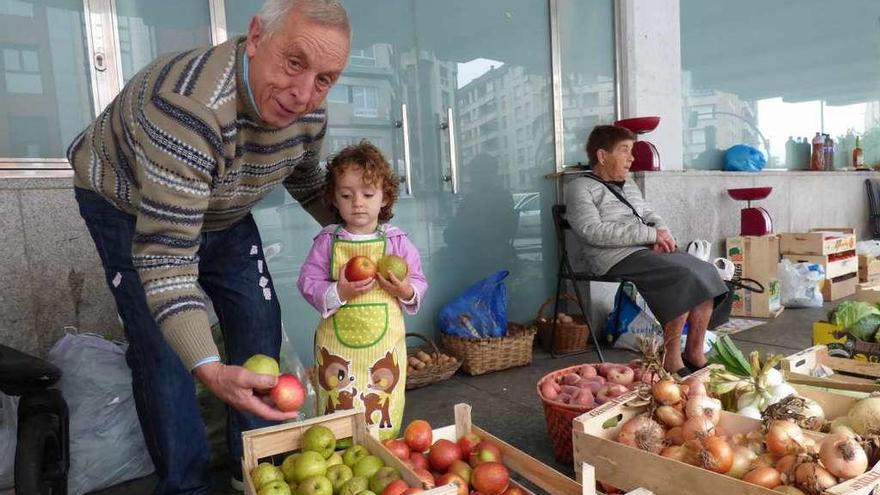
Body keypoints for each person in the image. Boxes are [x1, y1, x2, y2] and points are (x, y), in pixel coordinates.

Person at [66, 0, 351, 492]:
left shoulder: (309, 112)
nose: (304, 93)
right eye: (294, 62)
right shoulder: (189, 108)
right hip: (128, 204)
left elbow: (306, 180)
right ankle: (186, 484)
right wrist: (209, 368)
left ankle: (256, 472)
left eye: (325, 78)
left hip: (224, 205)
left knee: (259, 320)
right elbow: (167, 258)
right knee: (164, 350)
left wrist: (358, 233)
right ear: (257, 37)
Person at [564, 125, 727, 376]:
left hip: (644, 249)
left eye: (632, 151)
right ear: (602, 155)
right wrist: (650, 235)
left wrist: (663, 234)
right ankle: (672, 359)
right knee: (681, 276)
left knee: (705, 270)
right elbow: (591, 230)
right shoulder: (580, 187)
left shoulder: (627, 184)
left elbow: (649, 214)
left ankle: (694, 351)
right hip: (613, 256)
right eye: (624, 150)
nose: (631, 157)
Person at [297, 141, 427, 439]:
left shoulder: (396, 242)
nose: (358, 202)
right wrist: (339, 291)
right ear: (334, 199)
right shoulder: (327, 241)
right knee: (338, 404)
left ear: (384, 198)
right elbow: (308, 282)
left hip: (385, 346)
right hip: (337, 346)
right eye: (346, 195)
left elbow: (419, 281)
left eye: (368, 194)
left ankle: (384, 447)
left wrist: (406, 290)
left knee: (380, 402)